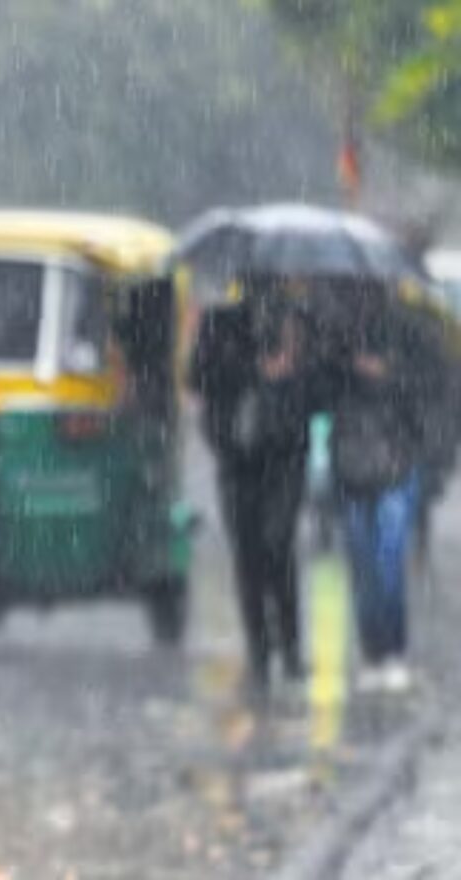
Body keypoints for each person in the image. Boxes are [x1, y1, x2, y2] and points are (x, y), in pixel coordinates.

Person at [188, 276, 316, 696]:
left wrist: (294, 365)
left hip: (284, 455)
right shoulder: (219, 323)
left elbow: (321, 385)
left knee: (278, 544)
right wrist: (252, 369)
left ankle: (291, 647)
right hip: (237, 455)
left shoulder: (298, 324)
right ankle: (261, 653)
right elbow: (197, 377)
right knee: (247, 555)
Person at [330, 287, 441, 693]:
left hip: (396, 465)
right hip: (353, 468)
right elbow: (323, 394)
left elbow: (429, 397)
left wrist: (388, 376)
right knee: (363, 567)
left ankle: (393, 650)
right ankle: (373, 652)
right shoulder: (336, 337)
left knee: (388, 561)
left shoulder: (413, 334)